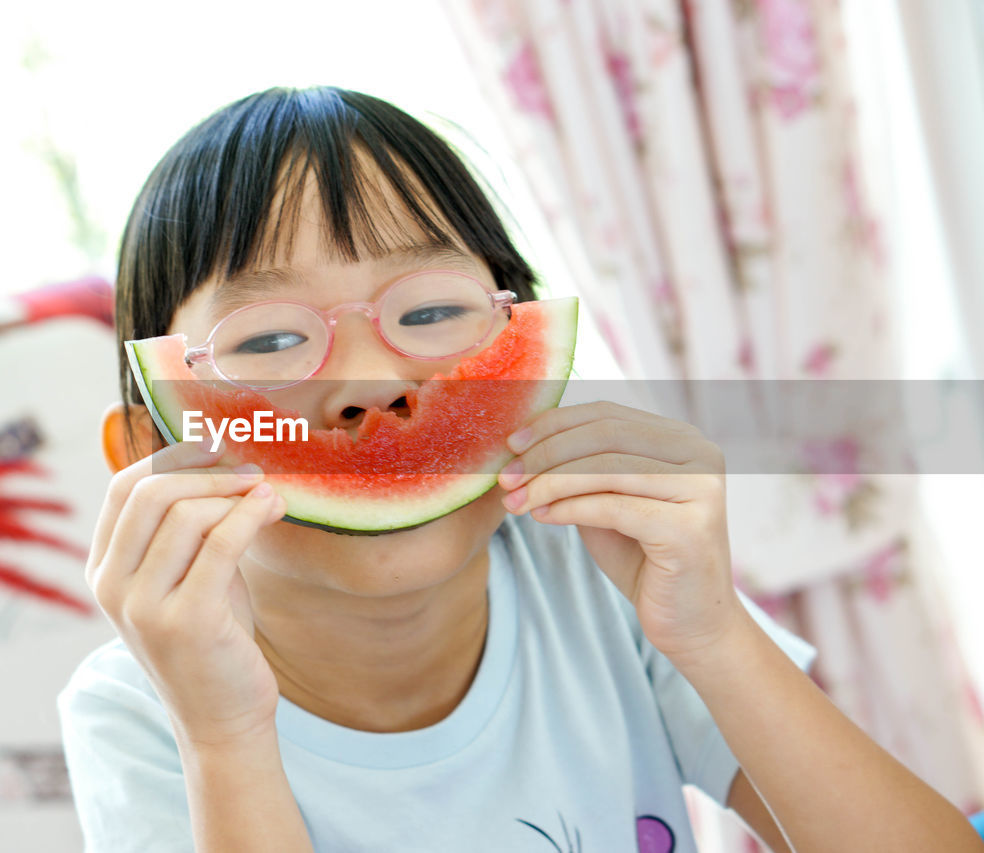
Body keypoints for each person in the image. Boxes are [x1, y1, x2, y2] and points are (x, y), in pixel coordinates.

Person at [58, 86, 983, 852]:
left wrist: (712, 631)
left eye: (427, 314)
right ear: (149, 453)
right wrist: (222, 736)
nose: (375, 387)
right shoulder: (141, 711)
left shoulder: (597, 581)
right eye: (265, 338)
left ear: (532, 368)